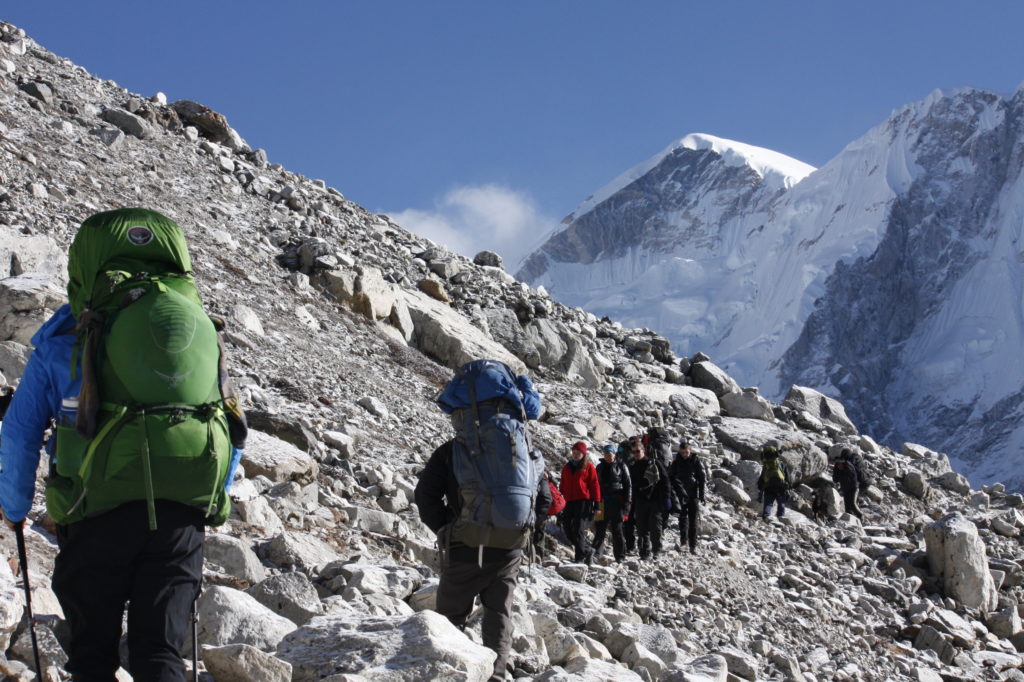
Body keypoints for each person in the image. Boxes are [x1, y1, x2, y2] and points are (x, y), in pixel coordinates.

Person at [0, 208, 246, 681]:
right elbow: (231, 424)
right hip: (180, 515)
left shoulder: (66, 337)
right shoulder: (195, 332)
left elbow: (19, 431)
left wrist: (13, 509)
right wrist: (215, 502)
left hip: (96, 511)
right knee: (162, 654)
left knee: (92, 656)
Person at [415, 360, 550, 682]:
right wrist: (524, 533)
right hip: (509, 548)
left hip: (464, 546)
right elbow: (545, 500)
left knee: (450, 617)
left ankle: (453, 673)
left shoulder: (451, 451)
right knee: (499, 615)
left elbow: (425, 497)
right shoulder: (527, 450)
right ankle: (497, 675)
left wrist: (448, 528)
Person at [559, 441, 601, 564]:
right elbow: (563, 484)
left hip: (584, 501)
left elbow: (595, 485)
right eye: (574, 452)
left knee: (578, 528)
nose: (576, 455)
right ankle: (587, 550)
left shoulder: (588, 467)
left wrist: (597, 504)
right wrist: (560, 499)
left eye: (578, 453)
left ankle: (579, 557)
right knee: (567, 527)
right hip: (569, 501)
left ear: (583, 454)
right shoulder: (567, 467)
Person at [629, 438, 670, 560]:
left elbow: (665, 481)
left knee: (655, 526)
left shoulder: (654, 463)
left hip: (655, 499)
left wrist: (666, 498)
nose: (635, 454)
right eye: (633, 452)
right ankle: (644, 552)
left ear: (643, 450)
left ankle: (657, 550)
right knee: (642, 528)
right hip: (640, 500)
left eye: (637, 451)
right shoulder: (633, 466)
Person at [593, 444, 631, 563]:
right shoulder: (599, 467)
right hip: (602, 501)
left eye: (610, 454)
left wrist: (627, 503)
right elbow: (595, 485)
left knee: (617, 529)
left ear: (614, 454)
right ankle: (596, 554)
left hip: (616, 501)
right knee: (600, 528)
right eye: (605, 454)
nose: (608, 457)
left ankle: (620, 556)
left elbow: (628, 485)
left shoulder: (621, 466)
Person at [669, 438, 706, 553]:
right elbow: (671, 476)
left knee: (693, 520)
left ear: (690, 451)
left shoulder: (696, 461)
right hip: (681, 495)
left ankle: (693, 545)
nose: (684, 454)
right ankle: (683, 542)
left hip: (693, 494)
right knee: (682, 519)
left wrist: (702, 494)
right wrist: (674, 491)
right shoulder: (676, 462)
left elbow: (701, 478)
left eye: (686, 452)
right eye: (682, 452)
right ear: (680, 452)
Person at [620, 436, 642, 554]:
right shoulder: (639, 459)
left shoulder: (622, 455)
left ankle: (630, 546)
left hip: (625, 495)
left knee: (627, 520)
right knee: (640, 521)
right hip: (638, 495)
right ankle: (641, 546)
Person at [757, 442, 790, 519]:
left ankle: (766, 517)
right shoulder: (781, 464)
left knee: (768, 503)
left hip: (769, 486)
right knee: (781, 503)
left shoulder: (766, 465)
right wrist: (788, 487)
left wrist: (761, 488)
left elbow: (762, 478)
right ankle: (781, 518)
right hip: (780, 486)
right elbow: (787, 477)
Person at [833, 448, 863, 519]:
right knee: (847, 508)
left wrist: (840, 471)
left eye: (840, 464)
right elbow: (835, 479)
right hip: (846, 489)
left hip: (853, 488)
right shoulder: (838, 468)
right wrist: (836, 470)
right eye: (837, 464)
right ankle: (851, 521)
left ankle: (861, 516)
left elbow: (850, 476)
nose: (838, 466)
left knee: (853, 504)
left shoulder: (848, 466)